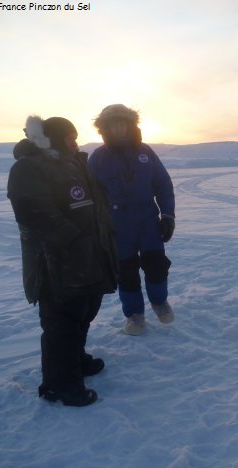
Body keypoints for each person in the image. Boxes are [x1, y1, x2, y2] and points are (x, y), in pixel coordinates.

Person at [7, 115, 118, 407]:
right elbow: (33, 212)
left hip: (86, 257)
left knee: (83, 312)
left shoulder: (72, 163)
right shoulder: (28, 167)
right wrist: (72, 239)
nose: (75, 143)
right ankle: (61, 384)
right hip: (55, 262)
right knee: (61, 322)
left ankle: (75, 360)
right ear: (55, 139)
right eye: (70, 138)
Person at [88, 104, 176, 336]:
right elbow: (90, 194)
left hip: (148, 220)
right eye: (114, 125)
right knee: (125, 271)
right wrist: (96, 226)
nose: (119, 128)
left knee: (156, 265)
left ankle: (159, 302)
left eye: (123, 124)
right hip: (117, 224)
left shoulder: (145, 152)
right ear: (105, 128)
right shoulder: (98, 158)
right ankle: (135, 316)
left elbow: (163, 184)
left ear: (130, 125)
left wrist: (168, 215)